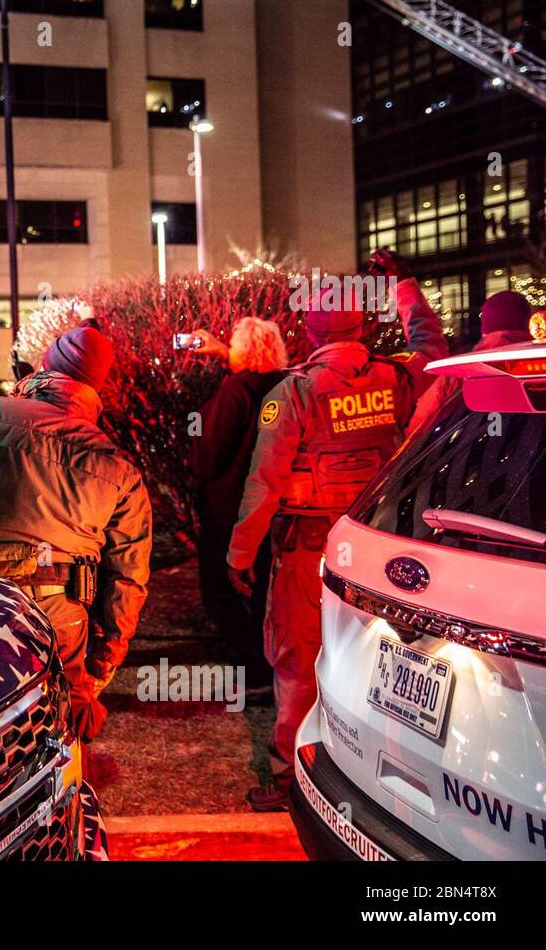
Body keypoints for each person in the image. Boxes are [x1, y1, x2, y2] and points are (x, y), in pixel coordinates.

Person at [227, 249, 448, 812]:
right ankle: (367, 774)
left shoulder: (293, 394)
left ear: (307, 329)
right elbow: (433, 349)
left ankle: (288, 780)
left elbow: (264, 484)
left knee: (299, 663)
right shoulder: (396, 379)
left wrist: (240, 555)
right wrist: (404, 287)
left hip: (307, 551)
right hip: (376, 550)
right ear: (363, 326)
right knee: (376, 664)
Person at [0, 324, 153, 741]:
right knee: (64, 718)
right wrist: (107, 656)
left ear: (44, 368)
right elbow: (129, 573)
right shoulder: (119, 467)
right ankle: (62, 798)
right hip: (64, 607)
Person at [187, 319, 289, 688]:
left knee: (220, 589)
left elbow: (207, 450)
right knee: (264, 589)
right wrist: (218, 350)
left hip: (228, 509)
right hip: (270, 507)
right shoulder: (285, 386)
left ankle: (250, 665)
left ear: (242, 350)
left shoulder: (234, 392)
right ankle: (266, 656)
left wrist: (192, 429)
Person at [406, 289, 535, 436]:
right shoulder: (536, 363)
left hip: (472, 453)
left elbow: (421, 423)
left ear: (485, 327)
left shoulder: (461, 371)